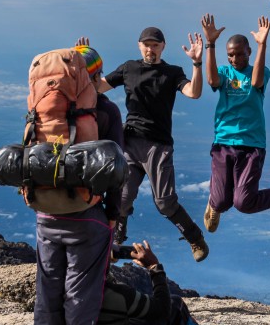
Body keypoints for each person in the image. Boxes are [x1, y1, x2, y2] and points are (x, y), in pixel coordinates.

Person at [35, 44, 122, 325]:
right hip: (87, 216)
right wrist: (113, 215)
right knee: (81, 293)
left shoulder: (44, 109)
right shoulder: (106, 111)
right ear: (96, 76)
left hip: (46, 216)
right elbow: (117, 170)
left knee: (48, 291)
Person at [88, 28, 210, 262]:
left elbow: (193, 92)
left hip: (159, 146)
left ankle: (196, 238)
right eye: (146, 44)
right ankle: (115, 238)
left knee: (165, 203)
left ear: (163, 47)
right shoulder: (129, 68)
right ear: (139, 46)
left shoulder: (172, 72)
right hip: (130, 143)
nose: (150, 49)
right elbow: (98, 87)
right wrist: (83, 64)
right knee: (122, 198)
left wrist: (197, 63)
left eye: (155, 45)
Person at [199, 13, 270, 233]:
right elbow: (212, 80)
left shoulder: (260, 72)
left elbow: (257, 81)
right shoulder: (224, 71)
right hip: (223, 141)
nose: (235, 59)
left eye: (240, 54)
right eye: (231, 55)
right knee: (222, 202)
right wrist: (210, 44)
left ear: (249, 52)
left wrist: (262, 45)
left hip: (252, 145)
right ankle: (213, 203)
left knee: (243, 203)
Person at [89, 240, 223, 325]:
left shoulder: (71, 287)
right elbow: (162, 309)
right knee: (174, 304)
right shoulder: (116, 294)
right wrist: (154, 267)